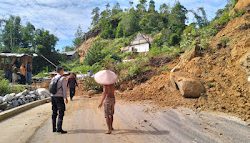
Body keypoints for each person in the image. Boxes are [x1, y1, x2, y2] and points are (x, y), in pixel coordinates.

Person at [51, 66, 68, 134]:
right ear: (61, 71)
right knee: (61, 112)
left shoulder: (53, 78)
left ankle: (54, 128)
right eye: (63, 70)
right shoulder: (63, 78)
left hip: (53, 96)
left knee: (54, 112)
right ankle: (59, 128)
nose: (63, 71)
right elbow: (64, 89)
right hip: (59, 97)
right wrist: (65, 98)